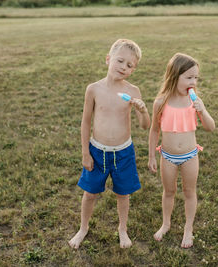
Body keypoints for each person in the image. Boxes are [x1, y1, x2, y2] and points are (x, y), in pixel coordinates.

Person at [69, 39, 150, 249]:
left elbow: (145, 126)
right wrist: (85, 153)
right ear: (108, 60)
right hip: (97, 151)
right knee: (90, 193)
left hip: (123, 152)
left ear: (134, 70)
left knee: (123, 194)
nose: (124, 67)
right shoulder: (94, 89)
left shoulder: (133, 91)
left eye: (129, 65)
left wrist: (142, 111)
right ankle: (83, 228)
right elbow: (86, 122)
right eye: (120, 61)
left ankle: (122, 229)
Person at [148, 53, 215, 248]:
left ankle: (188, 228)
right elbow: (154, 130)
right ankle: (166, 223)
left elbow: (211, 127)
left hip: (190, 156)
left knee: (189, 192)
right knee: (169, 191)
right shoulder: (161, 102)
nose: (193, 82)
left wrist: (202, 110)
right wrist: (152, 155)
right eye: (189, 77)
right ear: (174, 76)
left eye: (196, 78)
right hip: (167, 156)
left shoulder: (194, 102)